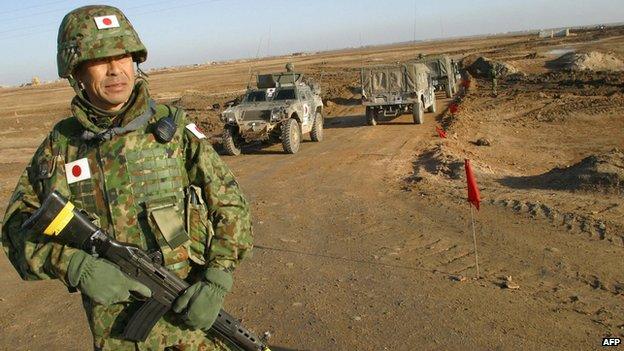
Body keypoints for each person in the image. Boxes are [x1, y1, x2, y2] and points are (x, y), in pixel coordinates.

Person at [1, 5, 253, 350]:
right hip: (117, 336)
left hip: (193, 328)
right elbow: (16, 228)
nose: (115, 69)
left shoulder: (173, 131)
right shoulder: (61, 147)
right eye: (100, 58)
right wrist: (75, 265)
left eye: (123, 56)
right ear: (75, 71)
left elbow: (229, 203)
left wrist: (218, 277)